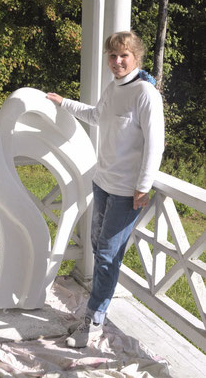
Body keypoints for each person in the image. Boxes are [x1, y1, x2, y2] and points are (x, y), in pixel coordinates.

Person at [46, 30, 164, 348]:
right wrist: (63, 102)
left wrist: (143, 187)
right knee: (99, 248)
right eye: (112, 56)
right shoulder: (114, 88)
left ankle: (94, 321)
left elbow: (155, 144)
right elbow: (96, 116)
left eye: (123, 55)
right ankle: (96, 309)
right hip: (102, 183)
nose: (117, 61)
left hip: (128, 191)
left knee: (108, 257)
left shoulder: (146, 94)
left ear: (136, 57)